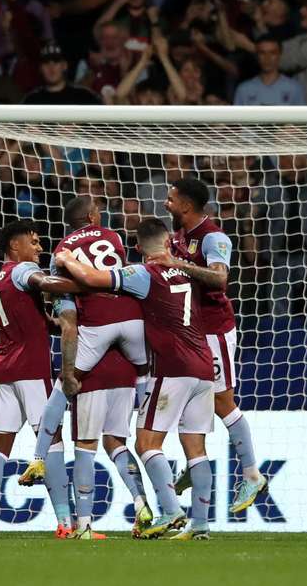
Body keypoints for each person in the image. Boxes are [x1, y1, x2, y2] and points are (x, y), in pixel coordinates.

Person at [55, 218, 215, 540]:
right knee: (196, 449)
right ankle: (201, 526)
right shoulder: (186, 271)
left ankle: (171, 511)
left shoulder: (144, 274)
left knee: (145, 443)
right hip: (204, 368)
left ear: (139, 248)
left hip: (173, 369)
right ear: (169, 241)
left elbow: (91, 277)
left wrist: (66, 258)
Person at [17, 197, 152, 537]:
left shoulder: (61, 250)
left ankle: (47, 471)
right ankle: (143, 502)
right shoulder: (114, 237)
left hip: (96, 337)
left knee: (68, 402)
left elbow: (69, 322)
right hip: (131, 330)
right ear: (92, 216)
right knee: (119, 439)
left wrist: (67, 369)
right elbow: (119, 277)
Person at [0, 221, 81, 540]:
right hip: (32, 370)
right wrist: (83, 282)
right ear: (15, 246)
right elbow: (44, 281)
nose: (39, 248)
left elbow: (41, 323)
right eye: (34, 242)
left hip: (5, 371)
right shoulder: (21, 271)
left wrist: (64, 326)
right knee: (53, 446)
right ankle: (65, 525)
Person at [159, 177, 267, 514]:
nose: (166, 204)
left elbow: (220, 278)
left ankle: (252, 474)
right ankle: (195, 465)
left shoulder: (213, 237)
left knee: (222, 401)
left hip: (214, 333)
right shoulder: (178, 236)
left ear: (187, 205)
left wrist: (177, 264)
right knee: (189, 405)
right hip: (188, 333)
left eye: (171, 199)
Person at [22, 42, 101, 105]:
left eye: (56, 61)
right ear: (40, 68)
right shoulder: (31, 100)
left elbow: (104, 122)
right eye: (46, 63)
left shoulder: (84, 96)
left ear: (64, 66)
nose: (51, 67)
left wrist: (78, 125)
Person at [233, 36, 305, 106]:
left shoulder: (294, 88)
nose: (267, 58)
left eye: (272, 53)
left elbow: (301, 117)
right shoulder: (244, 90)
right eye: (262, 53)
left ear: (280, 55)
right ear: (256, 56)